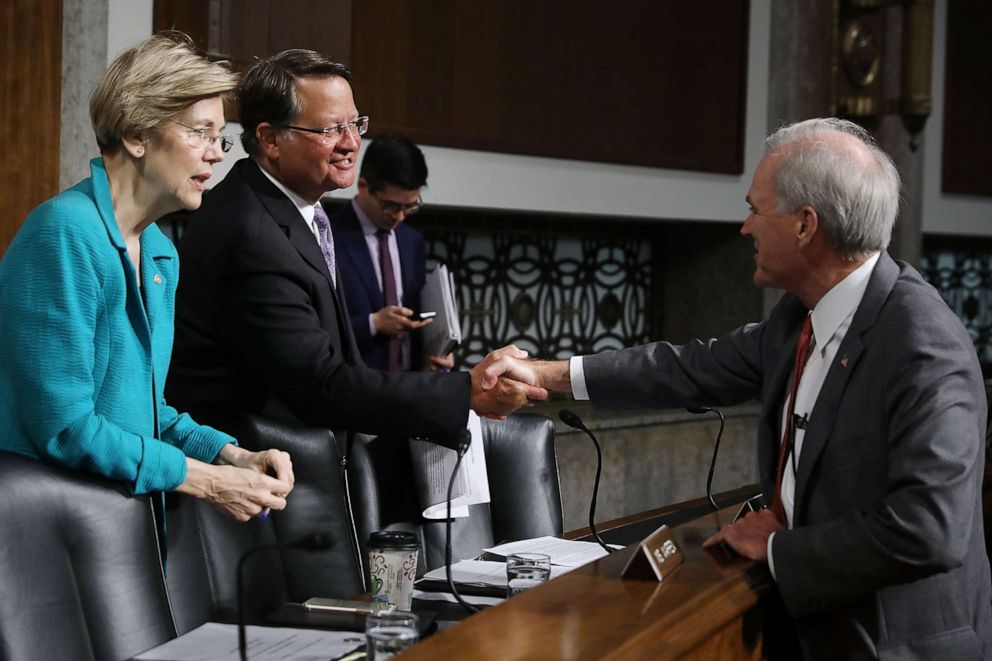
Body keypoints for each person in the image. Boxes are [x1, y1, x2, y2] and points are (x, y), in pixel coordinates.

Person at [480, 118, 992, 658]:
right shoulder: (799, 318)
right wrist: (547, 375)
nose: (745, 227)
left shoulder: (922, 342)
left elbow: (929, 530)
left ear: (804, 225)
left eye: (755, 208)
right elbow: (686, 368)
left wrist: (780, 548)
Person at [166, 49, 544, 445]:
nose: (351, 144)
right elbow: (320, 386)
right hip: (253, 475)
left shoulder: (288, 207)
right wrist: (466, 391)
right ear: (271, 139)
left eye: (355, 124)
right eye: (330, 130)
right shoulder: (250, 233)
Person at [0, 33, 293, 523]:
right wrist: (208, 481)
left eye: (218, 136)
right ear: (136, 135)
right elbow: (66, 427)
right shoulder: (65, 232)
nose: (217, 153)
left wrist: (230, 455)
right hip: (46, 534)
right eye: (199, 131)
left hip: (115, 521)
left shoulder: (159, 252)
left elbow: (143, 410)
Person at [329, 132, 453, 373]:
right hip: (354, 387)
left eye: (410, 206)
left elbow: (414, 317)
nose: (399, 216)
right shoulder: (329, 235)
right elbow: (318, 326)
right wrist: (373, 324)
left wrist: (432, 356)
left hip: (408, 388)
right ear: (363, 186)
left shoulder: (411, 240)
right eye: (391, 206)